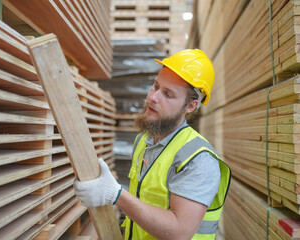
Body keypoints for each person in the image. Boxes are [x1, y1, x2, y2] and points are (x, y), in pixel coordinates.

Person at [74, 49, 231, 240]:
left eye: (168, 94)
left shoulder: (198, 158)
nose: (153, 97)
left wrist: (116, 194)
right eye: (156, 86)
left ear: (190, 106)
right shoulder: (144, 140)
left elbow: (179, 232)